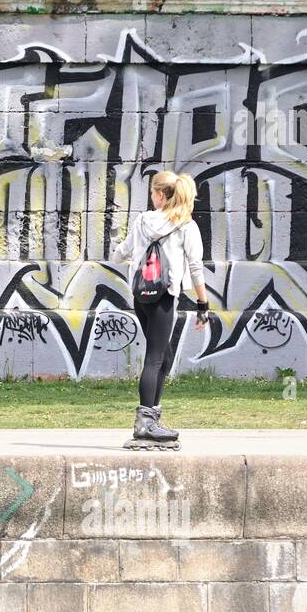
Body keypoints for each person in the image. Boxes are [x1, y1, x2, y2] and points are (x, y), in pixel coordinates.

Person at [111, 170, 212, 448]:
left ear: (160, 195)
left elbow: (123, 252)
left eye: (153, 192)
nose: (152, 197)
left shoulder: (142, 220)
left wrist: (118, 253)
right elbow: (195, 268)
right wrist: (203, 304)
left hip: (141, 297)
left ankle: (151, 419)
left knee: (164, 356)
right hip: (164, 298)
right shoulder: (186, 226)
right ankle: (144, 424)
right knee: (155, 358)